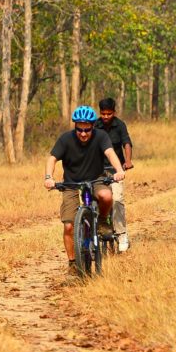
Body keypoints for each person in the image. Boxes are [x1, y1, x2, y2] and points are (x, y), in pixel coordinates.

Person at [44, 105, 125, 275]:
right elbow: (52, 158)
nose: (83, 133)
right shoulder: (65, 139)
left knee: (106, 195)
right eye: (79, 129)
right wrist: (48, 177)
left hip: (96, 179)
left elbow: (110, 153)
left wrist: (118, 171)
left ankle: (103, 221)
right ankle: (73, 262)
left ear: (92, 127)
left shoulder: (101, 137)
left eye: (87, 130)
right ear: (75, 126)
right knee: (68, 226)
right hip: (71, 184)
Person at [96, 97, 134, 252]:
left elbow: (126, 143)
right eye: (103, 114)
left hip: (115, 170)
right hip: (96, 169)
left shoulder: (120, 125)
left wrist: (128, 161)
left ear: (114, 112)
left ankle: (121, 234)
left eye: (109, 114)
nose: (106, 117)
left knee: (117, 199)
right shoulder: (94, 125)